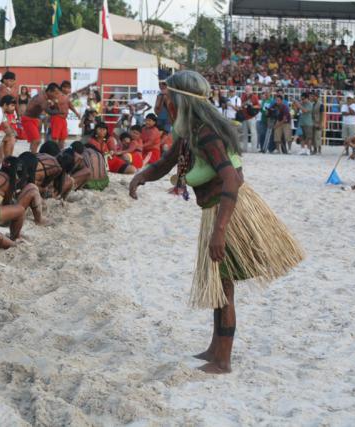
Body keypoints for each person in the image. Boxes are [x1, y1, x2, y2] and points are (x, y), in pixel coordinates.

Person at [129, 71, 304, 374]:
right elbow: (167, 162)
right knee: (219, 286)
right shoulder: (189, 132)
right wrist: (142, 176)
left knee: (223, 287)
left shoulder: (207, 134)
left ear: (182, 101)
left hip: (229, 212)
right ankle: (214, 348)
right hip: (215, 211)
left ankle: (223, 360)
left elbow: (231, 179)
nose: (163, 102)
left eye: (167, 97)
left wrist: (219, 232)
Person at [0, 156, 48, 225]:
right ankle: (39, 220)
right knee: (32, 188)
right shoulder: (7, 180)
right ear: (16, 175)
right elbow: (7, 204)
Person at [22, 83, 62, 153]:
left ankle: (32, 154)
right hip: (28, 119)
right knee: (36, 140)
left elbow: (50, 108)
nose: (57, 95)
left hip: (35, 119)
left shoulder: (45, 96)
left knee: (34, 140)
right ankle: (33, 157)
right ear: (49, 91)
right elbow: (50, 112)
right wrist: (59, 109)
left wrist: (54, 105)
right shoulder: (42, 98)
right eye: (56, 93)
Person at [50, 81, 81, 150]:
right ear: (63, 88)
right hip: (57, 118)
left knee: (63, 137)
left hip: (63, 119)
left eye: (70, 88)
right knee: (55, 137)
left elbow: (70, 105)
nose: (69, 90)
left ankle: (60, 152)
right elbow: (52, 106)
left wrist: (76, 113)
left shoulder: (66, 96)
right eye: (68, 88)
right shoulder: (57, 95)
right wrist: (55, 104)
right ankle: (53, 151)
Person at [240, 85, 260, 151]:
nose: (247, 91)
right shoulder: (243, 96)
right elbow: (240, 106)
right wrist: (245, 103)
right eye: (246, 89)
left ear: (251, 90)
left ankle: (254, 149)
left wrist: (252, 106)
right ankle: (244, 148)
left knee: (253, 133)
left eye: (248, 89)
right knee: (244, 134)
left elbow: (258, 106)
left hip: (251, 117)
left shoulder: (254, 96)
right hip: (244, 117)